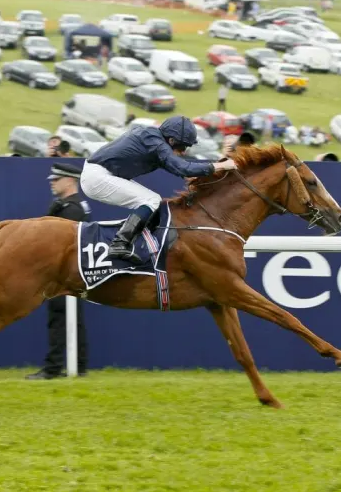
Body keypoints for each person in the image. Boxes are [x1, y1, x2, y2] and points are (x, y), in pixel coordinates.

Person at [80, 116, 237, 263]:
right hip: (97, 177)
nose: (183, 151)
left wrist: (217, 167)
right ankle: (119, 244)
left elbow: (185, 171)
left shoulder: (156, 142)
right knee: (151, 200)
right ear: (171, 140)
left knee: (153, 202)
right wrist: (221, 165)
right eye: (183, 146)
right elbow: (183, 168)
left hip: (101, 175)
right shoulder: (155, 142)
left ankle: (141, 242)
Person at [26, 163, 91, 380]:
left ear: (70, 180)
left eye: (56, 179)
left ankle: (53, 369)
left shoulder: (71, 209)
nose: (52, 183)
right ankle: (78, 367)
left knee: (59, 318)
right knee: (72, 318)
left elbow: (57, 244)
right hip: (72, 274)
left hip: (63, 275)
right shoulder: (74, 206)